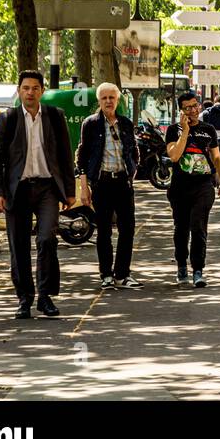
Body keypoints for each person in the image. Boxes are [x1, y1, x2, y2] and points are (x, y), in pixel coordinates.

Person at [0, 71, 77, 319]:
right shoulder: (8, 119)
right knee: (19, 245)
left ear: (42, 91)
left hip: (48, 188)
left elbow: (65, 156)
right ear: (19, 91)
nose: (30, 92)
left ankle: (45, 296)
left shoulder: (54, 116)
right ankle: (24, 298)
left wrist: (69, 192)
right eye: (25, 88)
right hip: (18, 190)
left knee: (47, 239)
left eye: (35, 88)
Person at [76, 83, 142, 289]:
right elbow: (82, 156)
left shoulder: (125, 123)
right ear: (99, 101)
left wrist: (132, 172)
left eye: (111, 98)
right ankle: (105, 274)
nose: (108, 101)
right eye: (104, 98)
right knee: (104, 230)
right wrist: (84, 186)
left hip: (123, 182)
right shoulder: (91, 124)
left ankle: (122, 274)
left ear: (118, 100)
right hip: (101, 183)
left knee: (128, 229)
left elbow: (134, 151)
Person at [165, 91, 220, 288]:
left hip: (203, 186)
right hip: (180, 188)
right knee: (181, 229)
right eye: (188, 108)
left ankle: (198, 270)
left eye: (195, 106)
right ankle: (182, 265)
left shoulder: (208, 129)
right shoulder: (173, 130)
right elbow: (174, 156)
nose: (193, 110)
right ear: (181, 111)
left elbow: (216, 157)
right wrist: (184, 130)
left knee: (198, 226)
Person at [201, 94, 220, 167]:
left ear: (214, 101)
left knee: (210, 164)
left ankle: (212, 177)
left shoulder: (206, 112)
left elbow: (198, 120)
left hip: (210, 141)